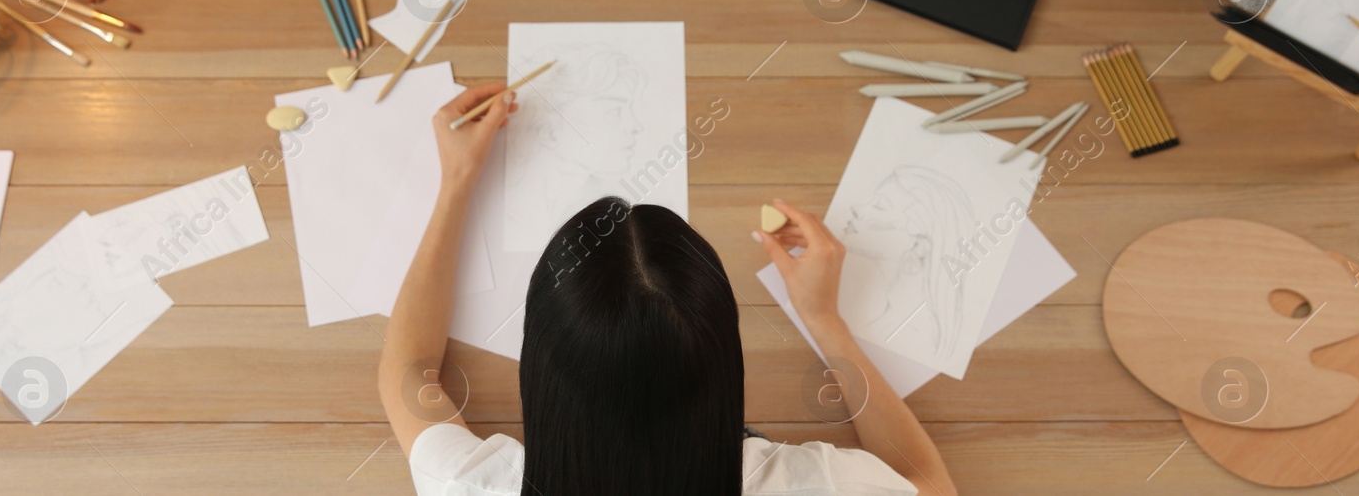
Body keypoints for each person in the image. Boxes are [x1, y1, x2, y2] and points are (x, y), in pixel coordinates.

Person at [378, 83, 956, 495]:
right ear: (726, 364)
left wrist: (456, 181)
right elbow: (928, 484)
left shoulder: (470, 485)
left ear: (539, 372)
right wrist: (826, 321)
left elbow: (408, 371)